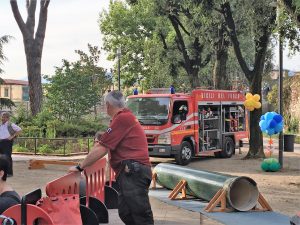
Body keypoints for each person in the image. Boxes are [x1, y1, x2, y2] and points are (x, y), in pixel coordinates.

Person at [69, 90, 154, 225]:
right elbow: (109, 140)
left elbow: (102, 148)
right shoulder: (123, 117)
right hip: (130, 172)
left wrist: (80, 167)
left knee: (140, 214)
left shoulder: (122, 118)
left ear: (108, 105)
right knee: (125, 212)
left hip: (133, 172)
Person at [0, 112, 22, 177]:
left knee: (7, 157)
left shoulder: (10, 125)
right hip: (1, 141)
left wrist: (12, 137)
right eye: (2, 117)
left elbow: (19, 130)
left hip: (7, 142)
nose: (2, 118)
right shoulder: (1, 125)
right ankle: (2, 172)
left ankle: (9, 173)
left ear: (7, 118)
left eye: (4, 117)